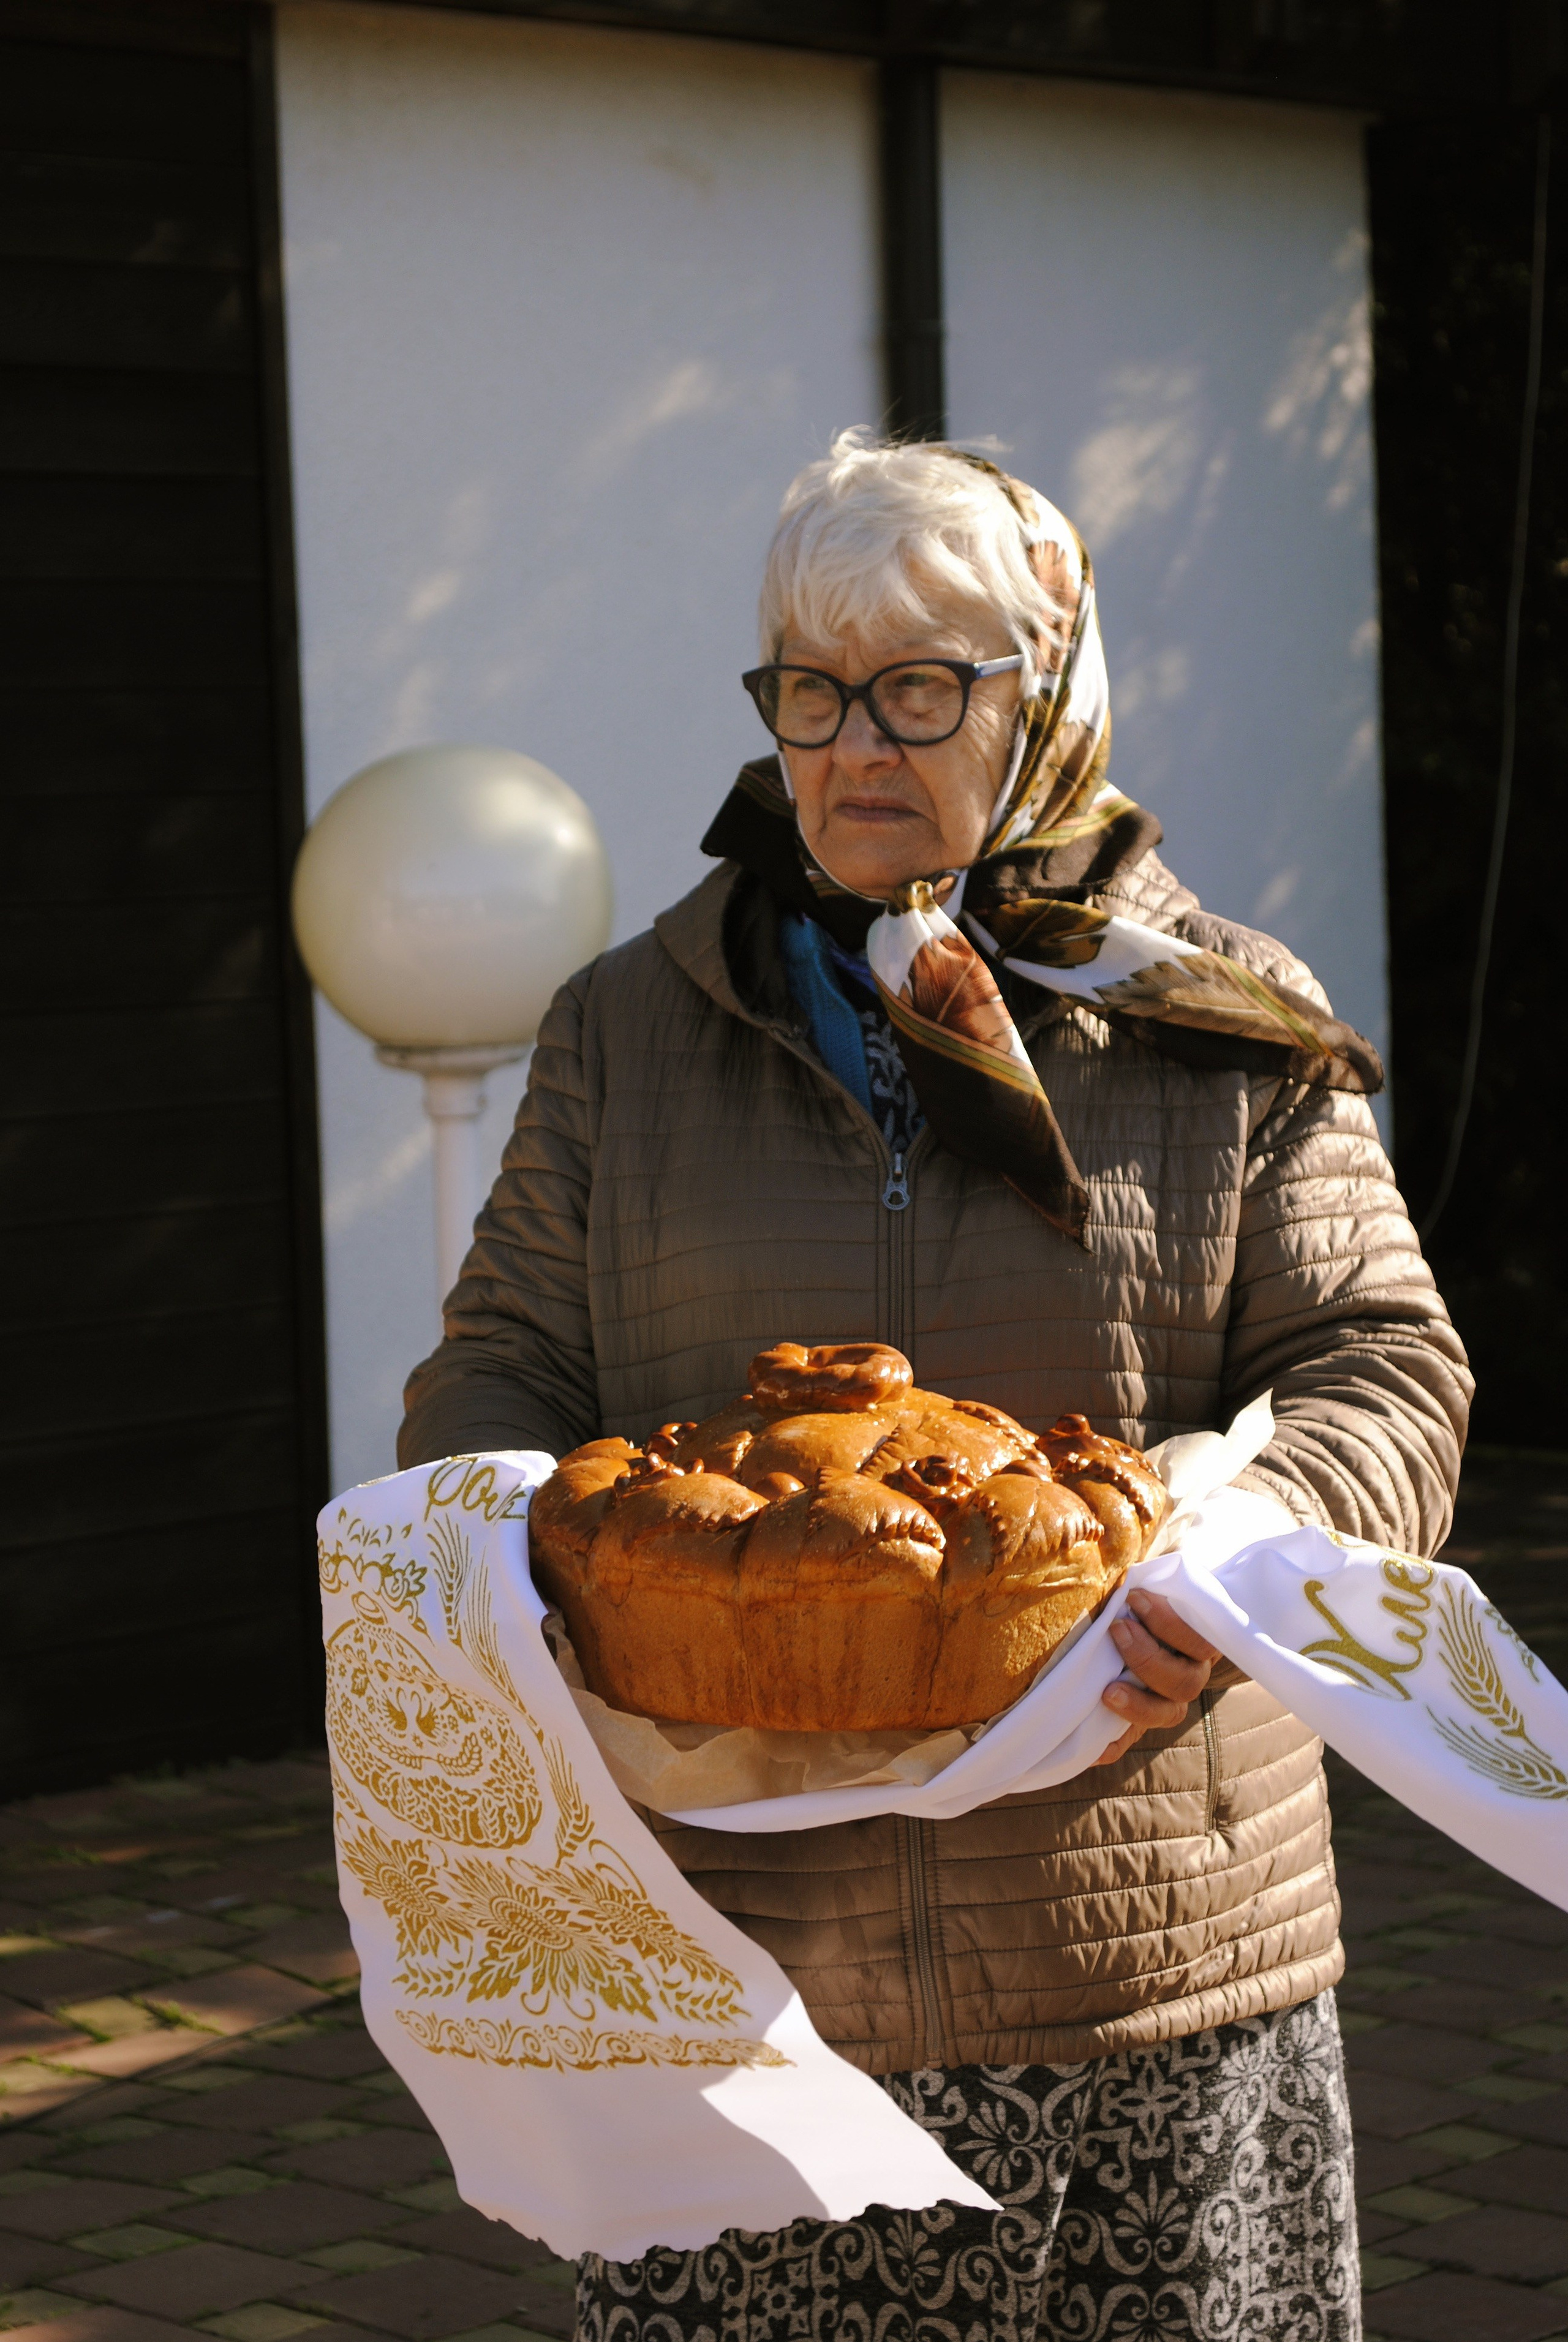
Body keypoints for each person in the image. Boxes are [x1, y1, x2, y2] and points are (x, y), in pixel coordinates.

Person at [398, 433, 1469, 2342]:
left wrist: (1241, 1561)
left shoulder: (1222, 1024)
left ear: (1043, 697)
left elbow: (1378, 1366)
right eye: (809, 690)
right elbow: (502, 1368)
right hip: (747, 1986)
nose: (852, 749)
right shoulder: (630, 1031)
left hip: (1144, 1961)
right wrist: (505, 1566)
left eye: (917, 688)